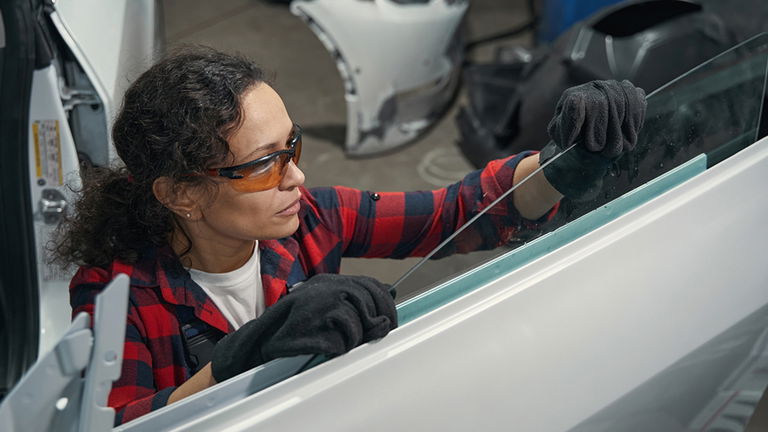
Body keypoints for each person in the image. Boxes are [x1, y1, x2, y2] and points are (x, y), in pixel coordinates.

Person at [52, 46, 646, 425]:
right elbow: (117, 425)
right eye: (264, 163)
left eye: (292, 146)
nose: (297, 176)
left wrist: (560, 162)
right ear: (180, 193)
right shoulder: (118, 293)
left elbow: (457, 213)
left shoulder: (310, 218)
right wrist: (243, 357)